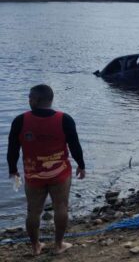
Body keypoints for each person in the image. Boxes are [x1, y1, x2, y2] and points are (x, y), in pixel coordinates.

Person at [6, 84, 86, 255]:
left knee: (33, 211)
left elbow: (12, 148)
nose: (28, 100)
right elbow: (74, 145)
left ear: (36, 100)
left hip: (34, 175)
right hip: (60, 173)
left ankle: (35, 247)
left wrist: (13, 169)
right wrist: (81, 164)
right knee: (61, 206)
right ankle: (58, 245)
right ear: (51, 100)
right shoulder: (65, 119)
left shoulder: (20, 120)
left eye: (30, 97)